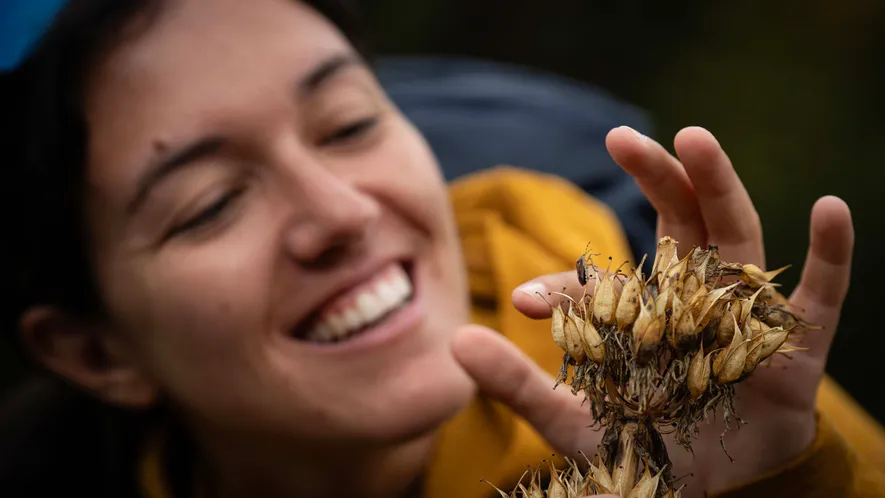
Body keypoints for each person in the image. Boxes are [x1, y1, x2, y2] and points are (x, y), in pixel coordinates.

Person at [0, 1, 882, 498]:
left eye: (347, 123)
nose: (340, 211)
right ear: (94, 350)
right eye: (211, 204)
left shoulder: (706, 388)